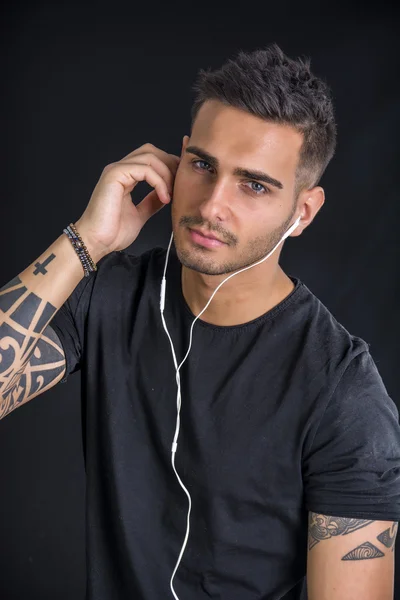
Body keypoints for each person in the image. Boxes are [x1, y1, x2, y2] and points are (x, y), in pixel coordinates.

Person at [0, 43, 399, 600]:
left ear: (303, 212)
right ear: (178, 158)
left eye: (254, 184)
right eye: (203, 166)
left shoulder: (342, 392)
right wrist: (88, 241)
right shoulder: (106, 295)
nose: (213, 204)